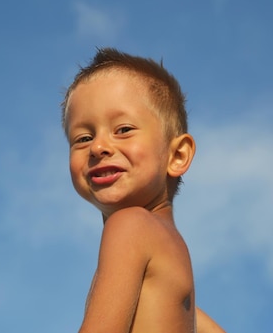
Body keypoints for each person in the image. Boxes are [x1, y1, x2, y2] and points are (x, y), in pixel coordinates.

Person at [62, 47, 226, 333]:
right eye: (84, 137)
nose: (98, 147)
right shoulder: (179, 285)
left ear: (177, 156)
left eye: (123, 129)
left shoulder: (129, 226)